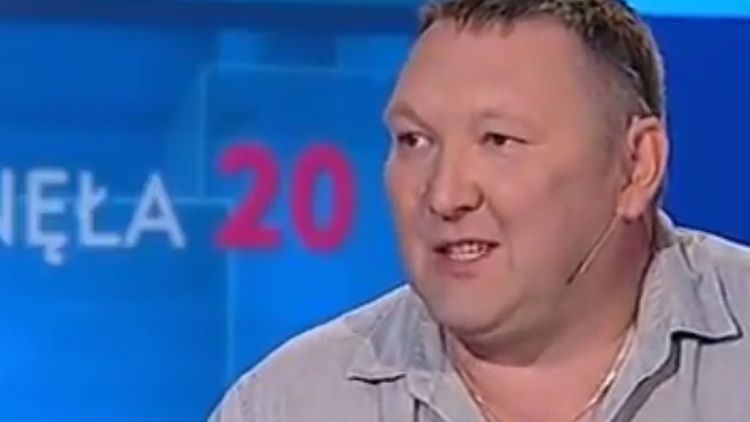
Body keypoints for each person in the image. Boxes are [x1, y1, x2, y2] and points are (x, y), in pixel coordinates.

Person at [207, 0, 750, 420]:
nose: (445, 196)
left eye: (498, 140)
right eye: (415, 140)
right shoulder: (287, 405)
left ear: (635, 166)